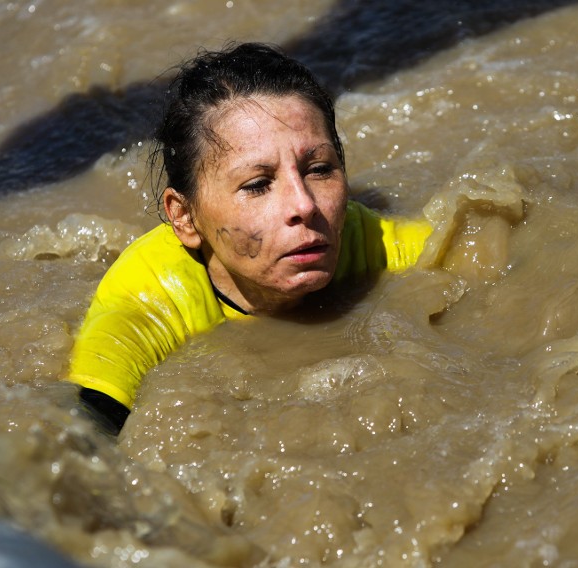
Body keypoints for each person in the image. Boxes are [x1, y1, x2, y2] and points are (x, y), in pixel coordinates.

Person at [68, 43, 433, 434]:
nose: (304, 205)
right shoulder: (147, 302)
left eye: (319, 169)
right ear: (185, 217)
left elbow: (490, 255)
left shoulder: (362, 237)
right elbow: (76, 440)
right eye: (258, 184)